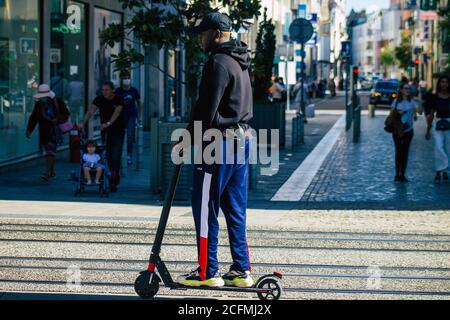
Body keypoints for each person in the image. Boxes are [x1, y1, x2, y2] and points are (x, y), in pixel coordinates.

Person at [174, 12, 254, 288]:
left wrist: (185, 140)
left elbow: (205, 112)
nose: (199, 39)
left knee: (205, 206)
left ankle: (208, 271)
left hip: (218, 143)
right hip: (242, 140)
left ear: (218, 33)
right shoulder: (241, 61)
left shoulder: (218, 62)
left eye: (203, 34)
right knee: (235, 208)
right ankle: (241, 270)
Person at [80, 81, 125, 192]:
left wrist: (108, 123)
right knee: (107, 155)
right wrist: (83, 123)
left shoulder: (119, 99)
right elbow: (90, 111)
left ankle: (114, 179)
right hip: (105, 131)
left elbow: (117, 112)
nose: (104, 92)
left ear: (112, 90)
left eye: (107, 90)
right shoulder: (99, 99)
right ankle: (111, 178)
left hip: (118, 130)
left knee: (116, 155)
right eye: (103, 90)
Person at [26, 84, 70, 181]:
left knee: (50, 151)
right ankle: (52, 173)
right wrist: (29, 130)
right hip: (44, 131)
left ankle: (46, 173)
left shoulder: (57, 101)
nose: (42, 99)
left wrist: (57, 119)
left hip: (55, 130)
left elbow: (66, 114)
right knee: (50, 153)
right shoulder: (39, 105)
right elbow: (34, 117)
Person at [425, 75, 450, 183]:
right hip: (438, 123)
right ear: (439, 84)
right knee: (438, 147)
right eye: (442, 82)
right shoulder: (434, 97)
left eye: (446, 82)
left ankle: (444, 171)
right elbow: (431, 114)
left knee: (448, 149)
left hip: (449, 123)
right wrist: (428, 129)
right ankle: (439, 170)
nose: (444, 84)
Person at [391, 83, 417, 182]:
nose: (408, 90)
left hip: (409, 130)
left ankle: (403, 174)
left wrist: (419, 102)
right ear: (401, 90)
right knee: (398, 151)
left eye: (409, 89)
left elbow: (418, 112)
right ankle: (397, 174)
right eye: (406, 88)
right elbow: (392, 115)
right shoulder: (396, 102)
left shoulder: (412, 102)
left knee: (405, 152)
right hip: (397, 130)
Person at [115, 70, 142, 166]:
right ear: (121, 79)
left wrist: (139, 116)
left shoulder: (134, 90)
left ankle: (129, 155)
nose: (126, 80)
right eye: (124, 78)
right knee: (119, 136)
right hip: (120, 116)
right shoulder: (118, 91)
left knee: (130, 136)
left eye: (128, 78)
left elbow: (139, 102)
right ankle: (120, 154)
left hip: (131, 115)